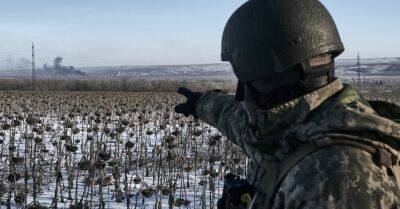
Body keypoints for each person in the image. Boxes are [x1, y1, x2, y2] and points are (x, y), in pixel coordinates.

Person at [175, 0, 400, 208]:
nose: (243, 96)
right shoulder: (293, 125)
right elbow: (235, 119)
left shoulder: (334, 178)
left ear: (264, 72)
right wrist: (201, 104)